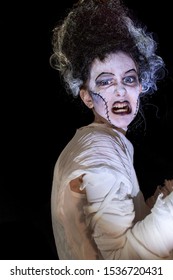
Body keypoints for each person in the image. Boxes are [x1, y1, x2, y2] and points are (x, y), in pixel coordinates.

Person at [49, 0, 173, 260]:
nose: (120, 91)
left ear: (141, 87)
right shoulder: (99, 150)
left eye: (129, 79)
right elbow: (120, 264)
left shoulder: (105, 141)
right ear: (86, 97)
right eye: (105, 81)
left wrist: (157, 202)